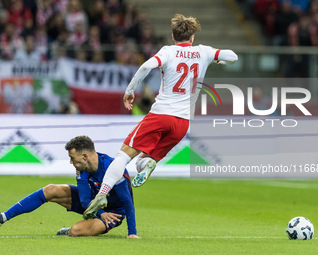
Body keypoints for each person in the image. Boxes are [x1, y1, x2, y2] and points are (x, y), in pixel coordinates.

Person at [83, 13, 238, 219]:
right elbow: (233, 56)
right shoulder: (204, 52)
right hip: (182, 124)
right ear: (192, 38)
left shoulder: (168, 51)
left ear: (173, 36)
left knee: (123, 156)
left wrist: (130, 90)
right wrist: (218, 60)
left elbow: (147, 66)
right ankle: (145, 164)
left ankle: (102, 194)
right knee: (146, 159)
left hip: (161, 115)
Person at [0, 136, 139, 238]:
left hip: (114, 212)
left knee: (76, 231)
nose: (70, 162)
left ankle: (69, 230)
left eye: (72, 158)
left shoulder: (113, 168)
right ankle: (3, 217)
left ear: (85, 156)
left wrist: (132, 233)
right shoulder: (82, 169)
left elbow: (127, 201)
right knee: (51, 190)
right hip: (94, 203)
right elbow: (85, 200)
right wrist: (100, 212)